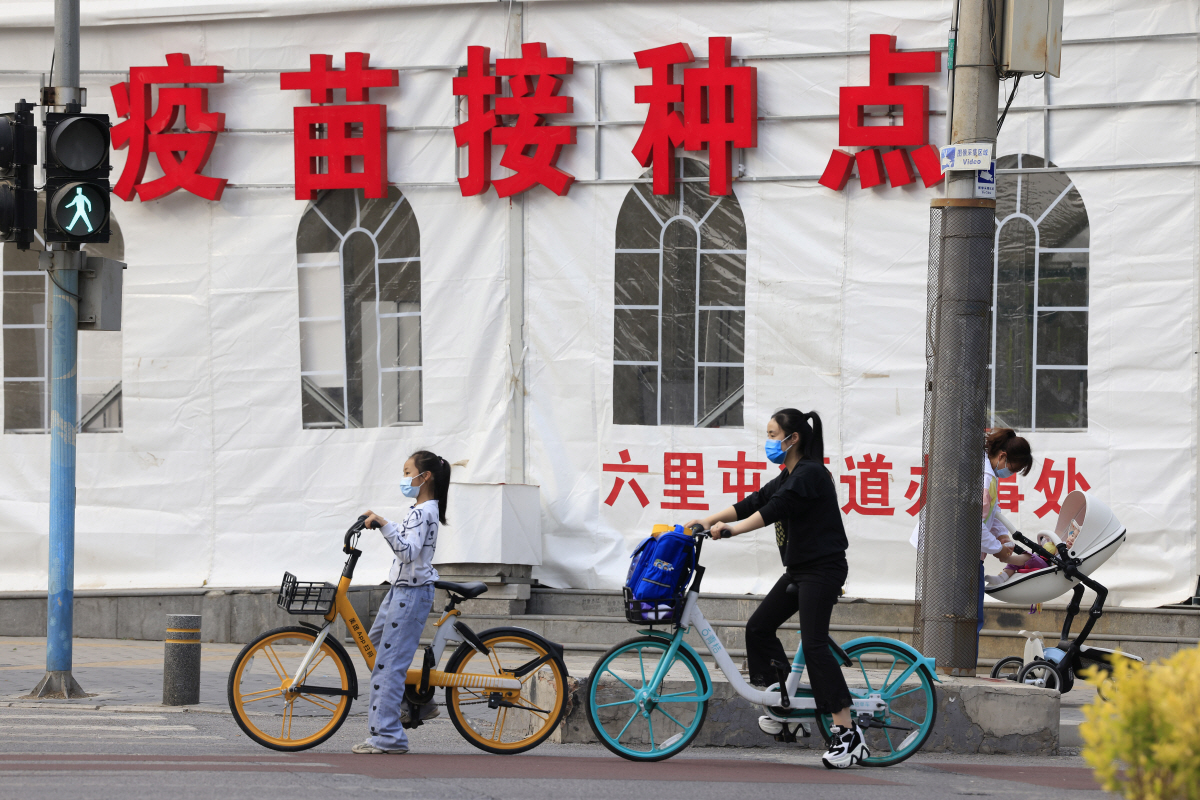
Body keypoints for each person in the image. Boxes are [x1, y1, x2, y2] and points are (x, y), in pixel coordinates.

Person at [685, 409, 866, 769]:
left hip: (823, 570)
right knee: (758, 628)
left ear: (792, 438)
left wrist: (731, 531)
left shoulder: (811, 474)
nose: (769, 441)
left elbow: (773, 510)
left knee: (814, 644)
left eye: (772, 434)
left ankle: (847, 732)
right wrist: (706, 519)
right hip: (799, 570)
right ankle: (788, 707)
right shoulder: (788, 475)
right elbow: (754, 502)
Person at [351, 450, 451, 755]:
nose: (405, 478)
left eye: (408, 472)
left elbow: (408, 551)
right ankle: (418, 701)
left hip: (411, 593)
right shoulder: (420, 510)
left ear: (425, 477)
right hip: (401, 590)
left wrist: (383, 524)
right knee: (377, 649)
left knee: (388, 664)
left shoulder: (423, 512)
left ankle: (387, 737)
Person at [977, 428, 1033, 617]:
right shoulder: (984, 478)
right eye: (1013, 469)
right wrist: (999, 550)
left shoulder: (989, 475)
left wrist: (1002, 536)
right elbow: (974, 525)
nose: (1012, 473)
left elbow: (992, 509)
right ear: (1002, 456)